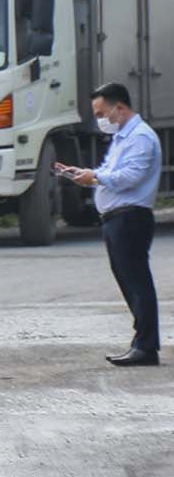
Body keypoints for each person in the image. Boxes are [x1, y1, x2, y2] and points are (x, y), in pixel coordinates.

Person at [58, 82, 161, 367]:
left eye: (102, 113)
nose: (100, 120)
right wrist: (86, 174)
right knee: (128, 280)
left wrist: (96, 178)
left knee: (137, 281)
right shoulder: (122, 138)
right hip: (116, 218)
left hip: (130, 217)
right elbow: (110, 171)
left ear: (120, 108)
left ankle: (146, 346)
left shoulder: (140, 137)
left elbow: (131, 177)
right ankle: (142, 342)